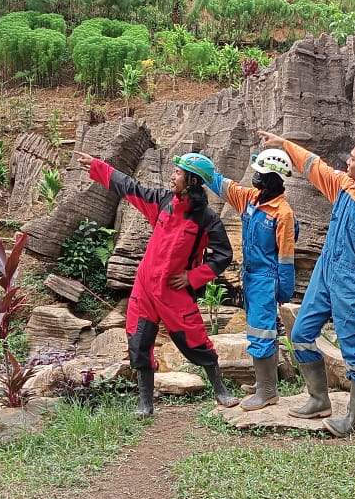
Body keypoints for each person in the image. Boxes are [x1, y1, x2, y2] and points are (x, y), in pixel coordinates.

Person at [74, 150, 239, 418]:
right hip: (145, 288)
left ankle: (220, 391)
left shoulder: (207, 219)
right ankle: (146, 403)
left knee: (196, 338)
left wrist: (192, 277)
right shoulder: (163, 202)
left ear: (194, 181)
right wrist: (97, 165)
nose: (172, 176)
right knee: (138, 341)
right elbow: (129, 187)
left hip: (175, 291)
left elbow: (223, 255)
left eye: (178, 173)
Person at [258, 130, 355, 437]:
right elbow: (313, 165)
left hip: (353, 283)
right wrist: (283, 144)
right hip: (325, 273)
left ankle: (353, 419)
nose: (348, 160)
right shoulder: (344, 185)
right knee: (302, 334)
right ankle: (319, 400)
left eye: (354, 157)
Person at [208, 148, 297, 411]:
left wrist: (283, 289)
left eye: (260, 173)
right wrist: (204, 171)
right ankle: (263, 383)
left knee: (262, 332)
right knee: (259, 329)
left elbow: (286, 255)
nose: (255, 176)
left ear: (273, 178)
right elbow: (225, 187)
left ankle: (268, 390)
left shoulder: (283, 213)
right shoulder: (251, 199)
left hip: (266, 278)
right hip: (250, 275)